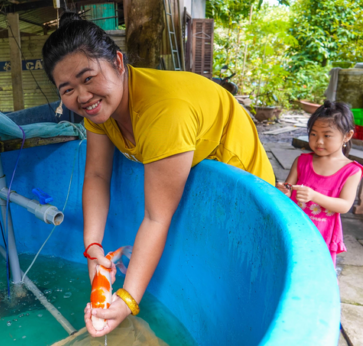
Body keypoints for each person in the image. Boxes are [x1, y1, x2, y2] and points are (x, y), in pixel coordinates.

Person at [42, 12, 275, 337]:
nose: (81, 96)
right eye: (67, 89)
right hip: (183, 148)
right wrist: (92, 246)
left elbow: (156, 218)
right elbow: (96, 175)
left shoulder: (164, 112)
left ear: (119, 63)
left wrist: (127, 299)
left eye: (88, 78)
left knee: (246, 266)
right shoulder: (99, 112)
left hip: (233, 160)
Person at [276, 101, 362, 267]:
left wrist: (315, 196)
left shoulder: (351, 171)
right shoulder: (302, 161)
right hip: (294, 228)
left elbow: (344, 205)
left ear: (347, 136)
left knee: (316, 271)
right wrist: (284, 191)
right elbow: (288, 191)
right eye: (313, 134)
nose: (319, 141)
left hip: (323, 235)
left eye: (327, 135)